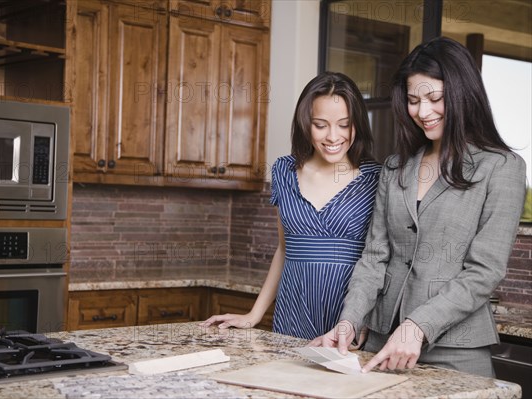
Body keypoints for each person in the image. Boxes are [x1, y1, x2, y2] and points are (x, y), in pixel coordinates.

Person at [310, 37, 527, 377]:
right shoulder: (396, 167)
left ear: (462, 94)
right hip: (381, 340)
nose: (423, 112)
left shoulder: (501, 167)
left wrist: (417, 326)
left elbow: (484, 272)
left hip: (456, 348)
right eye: (413, 101)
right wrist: (350, 321)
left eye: (435, 98)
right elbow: (374, 257)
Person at [200, 72, 381, 340]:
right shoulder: (284, 170)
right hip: (292, 313)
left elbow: (381, 260)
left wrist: (365, 320)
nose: (333, 136)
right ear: (305, 123)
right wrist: (254, 315)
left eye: (344, 125)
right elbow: (284, 249)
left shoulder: (376, 178)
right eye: (321, 125)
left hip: (348, 320)